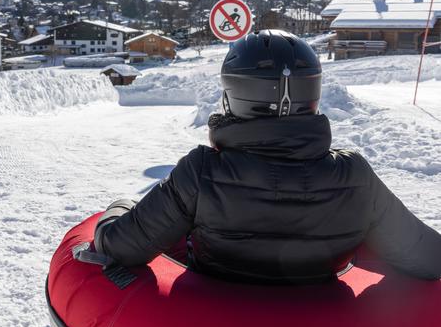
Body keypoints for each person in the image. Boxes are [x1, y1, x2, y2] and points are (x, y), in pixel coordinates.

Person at [94, 30, 441, 284]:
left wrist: (117, 210)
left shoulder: (201, 172)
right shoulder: (355, 176)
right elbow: (428, 259)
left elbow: (123, 248)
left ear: (234, 96)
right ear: (313, 96)